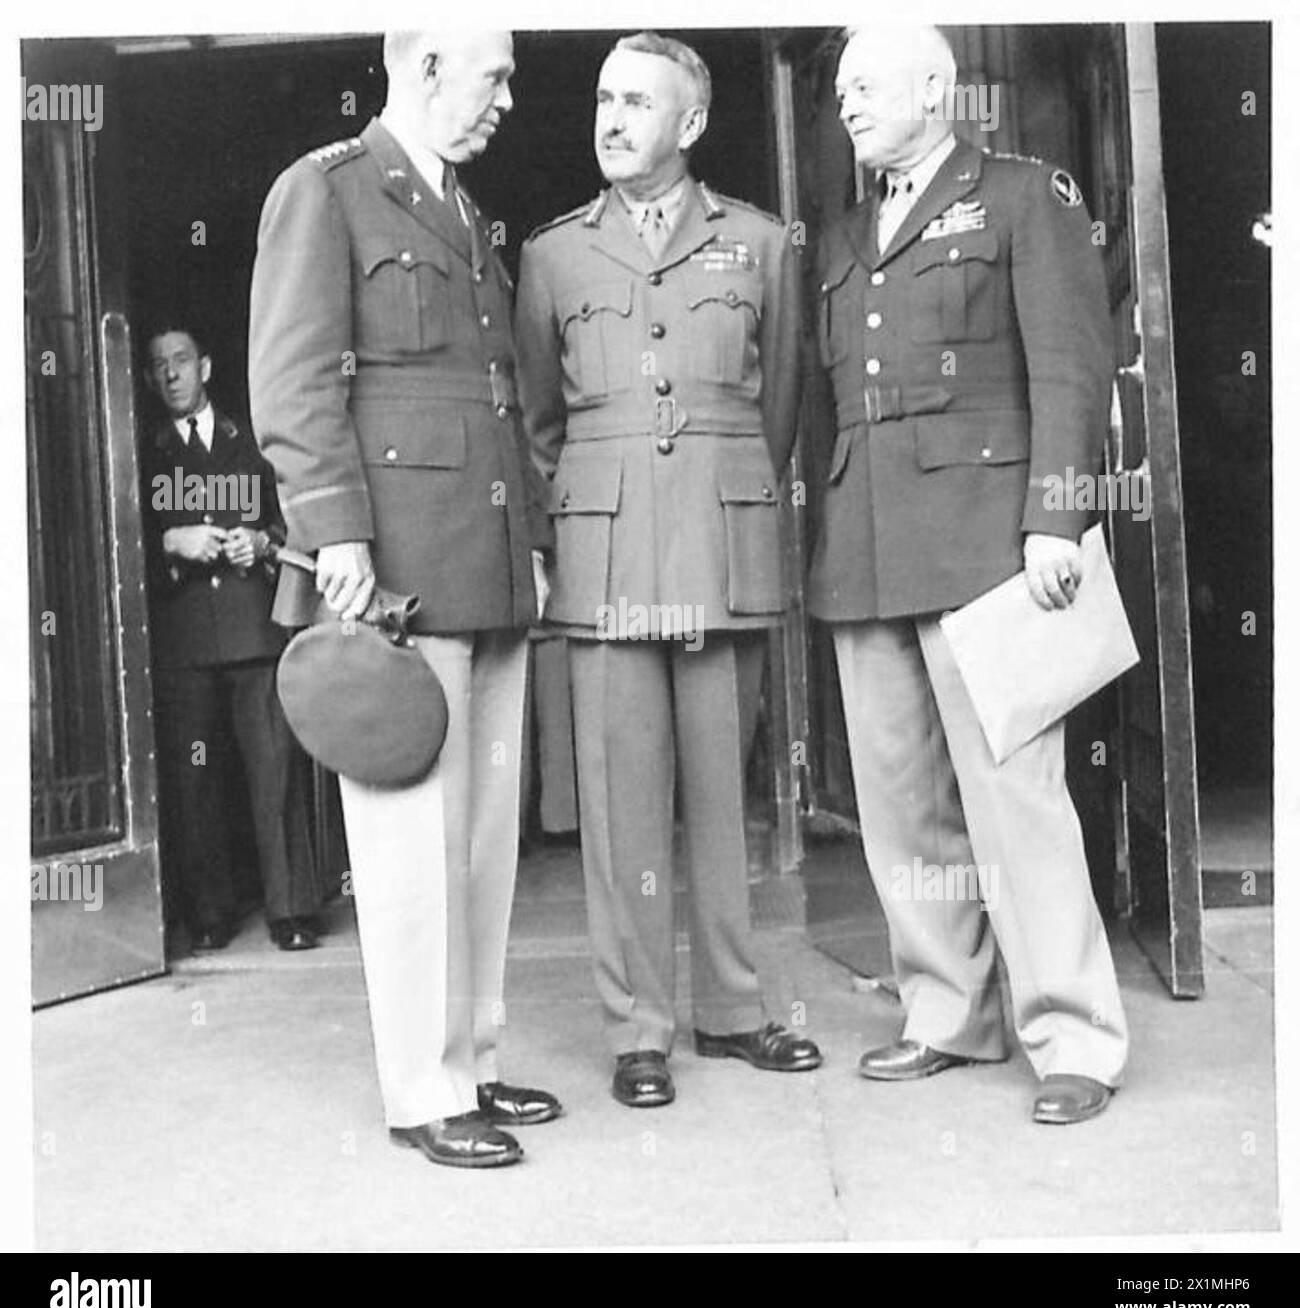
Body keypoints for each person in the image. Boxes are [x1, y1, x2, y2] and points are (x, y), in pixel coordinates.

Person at [248, 30, 560, 1170]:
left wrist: (527, 540)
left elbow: (499, 392)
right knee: (406, 844)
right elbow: (290, 378)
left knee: (479, 838)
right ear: (425, 67)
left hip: (484, 564)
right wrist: (334, 532)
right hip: (395, 574)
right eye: (496, 77)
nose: (508, 102)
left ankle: (469, 1058)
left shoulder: (466, 213)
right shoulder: (325, 191)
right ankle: (424, 1090)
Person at [810, 24, 1129, 1124]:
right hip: (866, 548)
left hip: (991, 545)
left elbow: (1068, 362)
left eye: (867, 83)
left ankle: (1072, 1034)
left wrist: (1056, 518)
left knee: (1016, 800)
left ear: (936, 88)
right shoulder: (847, 231)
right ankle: (947, 1011)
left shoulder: (1021, 194)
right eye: (841, 87)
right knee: (900, 810)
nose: (846, 101)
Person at [516, 31, 821, 1109]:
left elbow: (777, 406)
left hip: (717, 542)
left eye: (636, 101)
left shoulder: (760, 242)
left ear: (688, 123)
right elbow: (539, 424)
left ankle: (735, 1009)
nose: (610, 118)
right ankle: (637, 1028)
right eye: (603, 97)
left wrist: (720, 487)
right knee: (619, 806)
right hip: (605, 556)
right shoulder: (553, 254)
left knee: (721, 797)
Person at [141, 323, 322, 954]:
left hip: (253, 630)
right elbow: (114, 535)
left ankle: (292, 910)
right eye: (159, 365)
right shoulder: (141, 448)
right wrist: (170, 541)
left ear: (206, 367)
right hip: (185, 641)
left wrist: (263, 543)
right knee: (197, 780)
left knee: (274, 772)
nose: (171, 374)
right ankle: (210, 912)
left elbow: (289, 521)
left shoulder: (253, 440)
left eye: (182, 360)